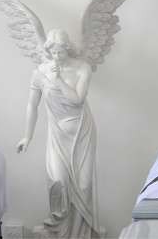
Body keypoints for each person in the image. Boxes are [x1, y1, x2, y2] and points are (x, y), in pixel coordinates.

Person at [16, 29, 100, 238]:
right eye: (53, 53)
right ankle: (59, 229)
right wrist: (27, 136)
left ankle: (81, 233)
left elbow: (78, 99)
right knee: (58, 182)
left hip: (82, 132)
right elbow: (31, 106)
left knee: (84, 185)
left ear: (67, 49)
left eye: (60, 53)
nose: (56, 57)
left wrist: (59, 80)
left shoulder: (82, 68)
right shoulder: (40, 72)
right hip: (57, 134)